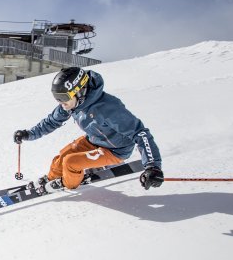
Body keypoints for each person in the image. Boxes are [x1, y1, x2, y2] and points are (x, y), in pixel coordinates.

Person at [13, 66, 164, 192]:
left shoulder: (108, 108)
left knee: (71, 162)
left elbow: (140, 133)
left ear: (79, 91)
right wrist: (29, 134)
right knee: (61, 157)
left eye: (63, 98)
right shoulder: (72, 104)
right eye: (57, 98)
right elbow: (51, 121)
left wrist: (153, 166)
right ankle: (52, 178)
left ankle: (67, 183)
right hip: (94, 140)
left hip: (115, 149)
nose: (61, 103)